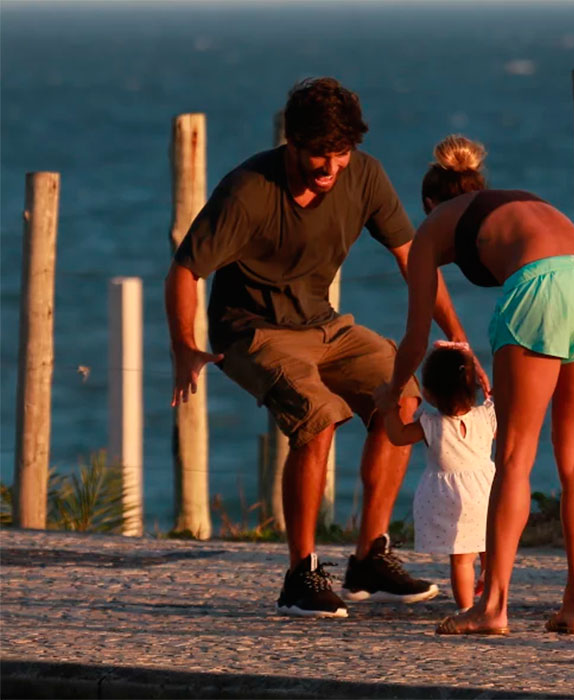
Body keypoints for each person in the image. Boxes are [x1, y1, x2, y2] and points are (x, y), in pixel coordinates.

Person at [165, 78, 486, 618]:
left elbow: (416, 260)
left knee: (402, 394)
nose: (330, 168)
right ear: (292, 143)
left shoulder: (364, 176)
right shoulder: (247, 189)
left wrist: (457, 339)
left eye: (340, 155)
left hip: (322, 323)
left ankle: (368, 560)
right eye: (319, 154)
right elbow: (185, 269)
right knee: (318, 417)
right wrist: (183, 345)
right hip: (251, 331)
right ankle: (301, 575)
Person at [379, 135, 574, 636]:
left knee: (515, 455)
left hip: (541, 283)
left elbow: (414, 336)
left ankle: (492, 606)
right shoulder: (515, 201)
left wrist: (390, 391)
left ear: (430, 203)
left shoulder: (429, 229)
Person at [378, 340, 495, 612]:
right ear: (475, 387)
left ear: (429, 394)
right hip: (487, 492)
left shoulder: (429, 424)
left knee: (462, 559)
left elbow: (397, 437)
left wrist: (389, 409)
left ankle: (466, 610)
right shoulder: (488, 417)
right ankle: (489, 589)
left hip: (451, 500)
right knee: (490, 547)